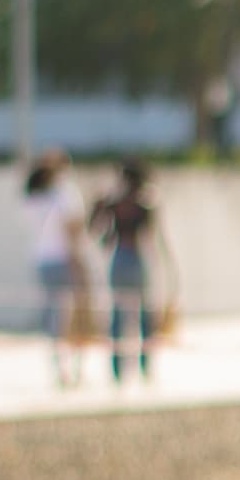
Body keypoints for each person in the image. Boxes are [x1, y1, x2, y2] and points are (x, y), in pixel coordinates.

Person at [89, 161, 166, 387]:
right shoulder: (144, 201)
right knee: (143, 316)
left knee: (119, 315)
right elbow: (153, 236)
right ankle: (144, 366)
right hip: (138, 259)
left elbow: (95, 229)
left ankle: (117, 369)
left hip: (119, 259)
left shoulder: (115, 201)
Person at [22, 154, 88, 388]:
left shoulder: (33, 198)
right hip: (64, 261)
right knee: (72, 318)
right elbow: (73, 232)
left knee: (54, 318)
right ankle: (72, 371)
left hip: (42, 261)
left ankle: (60, 369)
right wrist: (79, 264)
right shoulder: (64, 194)